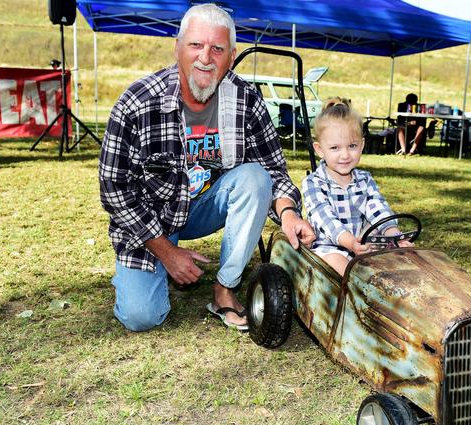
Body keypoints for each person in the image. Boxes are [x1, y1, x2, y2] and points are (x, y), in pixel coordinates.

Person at [99, 4, 315, 333]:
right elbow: (114, 190)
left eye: (217, 48)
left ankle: (224, 290)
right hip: (153, 219)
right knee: (141, 316)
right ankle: (145, 272)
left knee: (254, 178)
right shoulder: (138, 102)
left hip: (206, 206)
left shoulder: (247, 100)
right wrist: (167, 253)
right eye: (195, 45)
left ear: (231, 55)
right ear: (177, 48)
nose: (205, 57)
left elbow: (273, 170)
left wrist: (287, 213)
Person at [302, 99, 412, 276]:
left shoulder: (364, 179)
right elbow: (326, 220)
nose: (345, 155)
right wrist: (350, 242)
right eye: (335, 148)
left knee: (394, 262)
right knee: (341, 266)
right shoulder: (313, 183)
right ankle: (359, 290)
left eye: (352, 146)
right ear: (320, 149)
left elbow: (378, 209)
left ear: (361, 145)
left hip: (362, 245)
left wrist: (394, 235)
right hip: (330, 249)